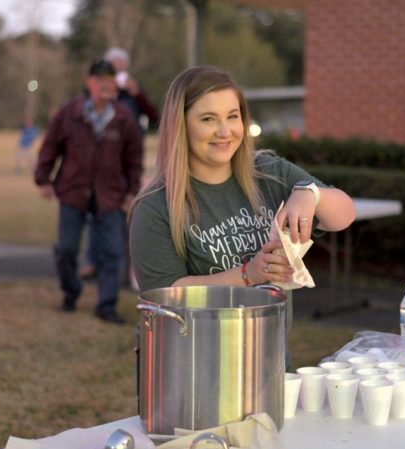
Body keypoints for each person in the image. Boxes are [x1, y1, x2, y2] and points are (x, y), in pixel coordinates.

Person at [129, 65, 355, 295]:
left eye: (232, 116)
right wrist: (248, 274)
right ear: (181, 126)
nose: (225, 131)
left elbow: (344, 215)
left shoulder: (270, 172)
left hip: (271, 330)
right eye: (208, 119)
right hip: (197, 332)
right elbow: (164, 293)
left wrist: (310, 194)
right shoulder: (155, 207)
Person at [34, 59, 143, 324]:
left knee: (112, 252)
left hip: (110, 194)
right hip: (73, 190)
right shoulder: (69, 112)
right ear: (89, 82)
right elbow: (50, 147)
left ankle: (107, 305)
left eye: (110, 80)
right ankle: (71, 292)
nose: (106, 85)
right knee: (67, 249)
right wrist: (43, 179)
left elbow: (134, 158)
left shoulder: (123, 117)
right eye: (100, 79)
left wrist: (131, 192)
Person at [80, 47, 160, 286]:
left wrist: (137, 94)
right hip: (101, 166)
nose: (115, 75)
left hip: (128, 164)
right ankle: (94, 263)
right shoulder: (94, 95)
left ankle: (126, 269)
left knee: (127, 216)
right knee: (97, 216)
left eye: (118, 69)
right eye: (110, 70)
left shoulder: (133, 95)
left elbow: (154, 117)